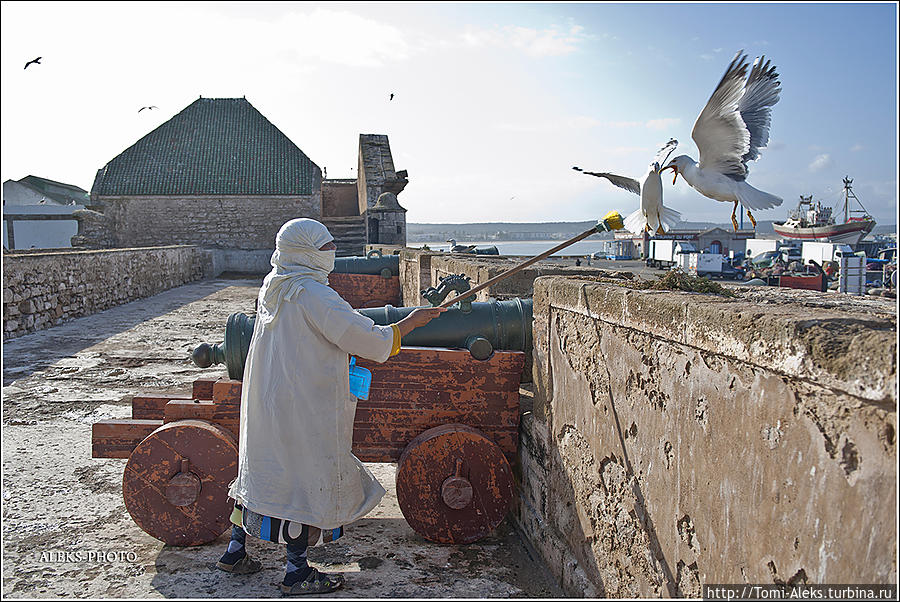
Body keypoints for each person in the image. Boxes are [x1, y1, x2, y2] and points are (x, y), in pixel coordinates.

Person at [216, 218, 445, 595]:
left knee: (264, 472)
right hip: (303, 402)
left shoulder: (276, 284)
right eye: (325, 246)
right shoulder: (312, 293)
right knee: (302, 482)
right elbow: (364, 338)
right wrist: (410, 323)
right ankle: (296, 573)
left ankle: (235, 550)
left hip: (272, 397)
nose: (332, 251)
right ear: (305, 252)